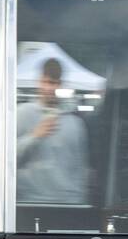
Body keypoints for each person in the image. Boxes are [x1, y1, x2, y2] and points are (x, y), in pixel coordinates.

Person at [16, 57, 89, 203]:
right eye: (45, 82)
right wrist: (34, 136)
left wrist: (79, 201)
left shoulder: (75, 123)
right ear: (39, 82)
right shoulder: (23, 113)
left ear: (60, 85)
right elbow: (7, 158)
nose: (49, 88)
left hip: (68, 204)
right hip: (29, 203)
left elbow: (80, 168)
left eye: (53, 83)